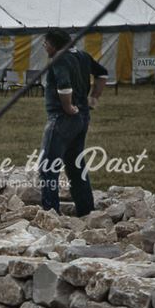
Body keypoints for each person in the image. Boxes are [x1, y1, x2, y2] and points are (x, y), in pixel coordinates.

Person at [38, 29, 107, 217]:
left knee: (48, 167)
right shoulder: (83, 56)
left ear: (53, 45)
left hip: (62, 118)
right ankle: (86, 210)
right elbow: (102, 74)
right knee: (76, 166)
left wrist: (67, 107)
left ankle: (50, 214)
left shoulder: (59, 58)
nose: (44, 47)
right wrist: (94, 97)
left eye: (45, 43)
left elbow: (64, 85)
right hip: (83, 118)